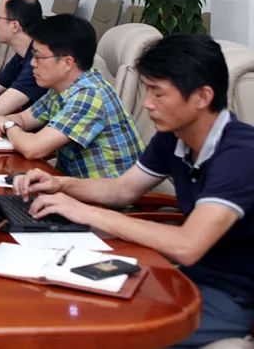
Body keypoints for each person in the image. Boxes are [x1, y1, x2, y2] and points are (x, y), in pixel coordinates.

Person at [14, 34, 254, 347]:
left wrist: (88, 213)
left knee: (88, 331)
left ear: (202, 96)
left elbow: (188, 245)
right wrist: (61, 185)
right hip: (185, 277)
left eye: (157, 92)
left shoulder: (240, 154)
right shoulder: (175, 135)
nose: (147, 103)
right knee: (58, 299)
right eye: (146, 90)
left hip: (233, 296)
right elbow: (123, 190)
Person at [0, 14, 143, 178]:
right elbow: (23, 119)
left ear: (67, 63)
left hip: (101, 195)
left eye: (38, 57)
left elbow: (33, 148)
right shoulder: (62, 87)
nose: (32, 63)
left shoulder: (89, 95)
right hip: (67, 185)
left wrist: (7, 124)